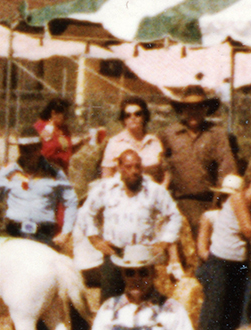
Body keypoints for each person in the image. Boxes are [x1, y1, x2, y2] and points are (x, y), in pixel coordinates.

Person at [75, 150, 182, 299]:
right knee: (110, 303)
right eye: (128, 166)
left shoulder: (154, 190)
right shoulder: (106, 188)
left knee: (145, 301)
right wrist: (95, 240)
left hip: (144, 256)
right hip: (115, 254)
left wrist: (164, 242)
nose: (134, 171)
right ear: (119, 167)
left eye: (137, 166)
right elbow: (85, 212)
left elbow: (175, 216)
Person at [160, 84, 241, 256]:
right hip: (179, 201)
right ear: (182, 109)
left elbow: (226, 168)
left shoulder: (216, 134)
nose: (193, 111)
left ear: (205, 109)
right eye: (189, 107)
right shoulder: (169, 134)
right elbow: (160, 165)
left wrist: (219, 202)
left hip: (209, 201)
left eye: (198, 107)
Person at [196, 169, 251, 330]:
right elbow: (249, 230)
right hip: (221, 261)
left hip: (240, 262)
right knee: (214, 313)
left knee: (234, 314)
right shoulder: (237, 199)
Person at [0, 131, 78, 243]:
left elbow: (71, 202)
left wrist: (66, 232)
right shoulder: (8, 172)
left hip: (44, 234)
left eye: (33, 149)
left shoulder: (55, 172)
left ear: (40, 147)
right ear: (19, 150)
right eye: (25, 149)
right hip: (14, 232)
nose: (29, 153)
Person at [101, 96, 167, 186]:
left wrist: (162, 190)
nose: (133, 117)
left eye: (137, 114)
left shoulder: (154, 142)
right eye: (127, 115)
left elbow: (166, 173)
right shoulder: (115, 143)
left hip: (152, 192)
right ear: (123, 119)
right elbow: (107, 176)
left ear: (144, 116)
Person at [35, 95, 76, 174]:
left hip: (62, 172)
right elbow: (45, 150)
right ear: (53, 113)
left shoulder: (64, 129)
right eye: (64, 115)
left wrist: (82, 142)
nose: (67, 118)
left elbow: (67, 149)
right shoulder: (40, 126)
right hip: (46, 171)